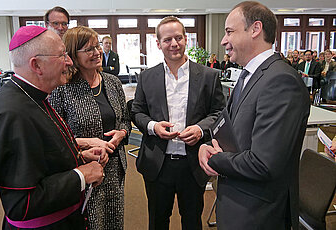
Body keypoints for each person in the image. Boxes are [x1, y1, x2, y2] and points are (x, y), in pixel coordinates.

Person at [0, 26, 107, 229]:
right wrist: (82, 175)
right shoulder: (13, 114)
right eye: (62, 55)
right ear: (37, 65)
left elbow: (39, 157)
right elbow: (22, 205)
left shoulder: (30, 96)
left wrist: (78, 157)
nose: (68, 62)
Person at [198, 2, 310, 229]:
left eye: (229, 32)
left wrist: (215, 159)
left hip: (258, 214)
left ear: (255, 29)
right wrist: (208, 145)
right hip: (236, 203)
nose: (223, 41)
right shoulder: (249, 75)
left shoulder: (281, 81)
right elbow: (229, 127)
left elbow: (263, 163)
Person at [131, 16, 225, 230]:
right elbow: (137, 112)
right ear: (158, 44)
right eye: (167, 40)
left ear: (186, 39)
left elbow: (219, 112)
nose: (173, 43)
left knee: (192, 221)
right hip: (157, 163)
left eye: (178, 37)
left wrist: (201, 129)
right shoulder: (147, 77)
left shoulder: (209, 76)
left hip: (193, 163)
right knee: (157, 221)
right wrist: (153, 127)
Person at [49, 26, 131, 230]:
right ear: (73, 55)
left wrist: (121, 134)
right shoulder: (62, 89)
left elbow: (125, 121)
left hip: (115, 169)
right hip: (84, 171)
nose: (97, 53)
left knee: (114, 223)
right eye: (89, 49)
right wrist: (85, 145)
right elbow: (54, 136)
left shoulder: (112, 83)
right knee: (92, 224)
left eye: (97, 47)